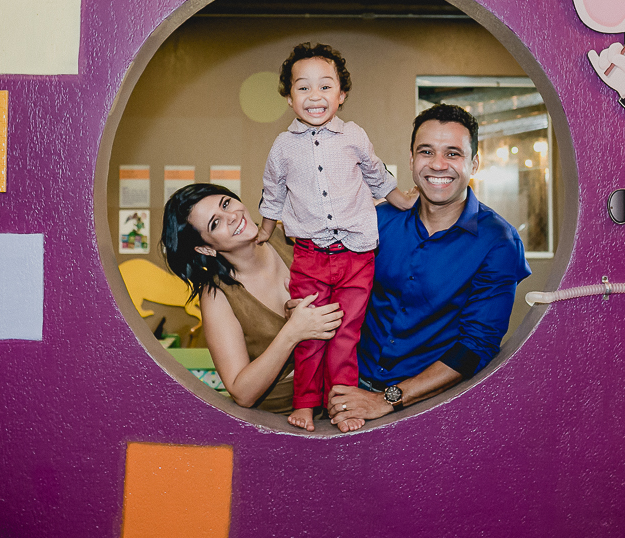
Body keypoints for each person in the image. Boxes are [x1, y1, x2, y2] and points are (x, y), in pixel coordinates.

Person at [325, 104, 532, 427]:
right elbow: (337, 284)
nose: (438, 164)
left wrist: (386, 399)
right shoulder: (377, 220)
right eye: (426, 151)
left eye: (453, 153)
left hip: (430, 405)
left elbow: (475, 347)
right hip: (349, 389)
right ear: (411, 160)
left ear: (474, 163)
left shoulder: (498, 241)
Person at [256, 43, 417, 432]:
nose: (315, 96)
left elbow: (376, 173)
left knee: (346, 334)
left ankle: (343, 403)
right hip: (309, 257)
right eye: (304, 87)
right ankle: (305, 403)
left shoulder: (353, 135)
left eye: (325, 86)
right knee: (311, 333)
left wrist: (400, 199)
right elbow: (273, 192)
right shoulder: (283, 147)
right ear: (289, 97)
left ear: (341, 95)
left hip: (356, 256)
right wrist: (265, 229)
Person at [160, 183, 343, 415]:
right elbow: (242, 393)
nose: (232, 217)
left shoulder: (290, 234)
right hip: (281, 417)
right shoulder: (217, 295)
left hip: (341, 395)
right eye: (215, 223)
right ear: (205, 249)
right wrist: (293, 332)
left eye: (226, 203)